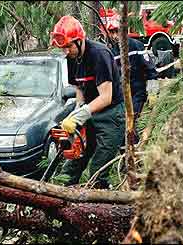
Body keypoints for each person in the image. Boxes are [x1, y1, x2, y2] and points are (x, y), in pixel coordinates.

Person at [50, 16, 125, 189]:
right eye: (63, 48)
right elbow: (79, 87)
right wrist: (77, 109)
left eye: (69, 46)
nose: (66, 51)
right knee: (75, 159)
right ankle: (61, 196)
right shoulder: (71, 57)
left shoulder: (99, 54)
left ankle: (100, 203)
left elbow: (106, 97)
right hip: (90, 110)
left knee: (98, 167)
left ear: (79, 40)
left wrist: (81, 115)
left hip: (111, 114)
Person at [105, 13, 158, 144]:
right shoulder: (111, 52)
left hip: (137, 93)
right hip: (121, 96)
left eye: (117, 31)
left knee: (131, 120)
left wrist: (152, 92)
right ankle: (127, 152)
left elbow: (151, 71)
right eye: (112, 32)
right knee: (123, 124)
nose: (115, 36)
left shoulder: (137, 46)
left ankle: (134, 150)